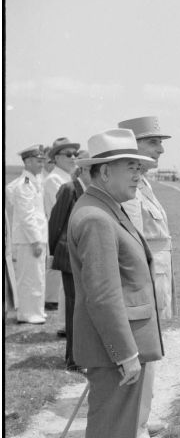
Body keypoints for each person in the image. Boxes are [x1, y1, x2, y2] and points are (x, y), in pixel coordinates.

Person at [68, 128, 164, 438]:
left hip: (119, 341)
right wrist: (124, 352)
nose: (139, 174)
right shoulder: (95, 217)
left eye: (140, 167)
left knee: (119, 426)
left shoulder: (106, 207)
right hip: (115, 346)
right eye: (131, 166)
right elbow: (104, 296)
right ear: (104, 172)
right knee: (110, 427)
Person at [118, 116, 175, 438]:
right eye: (154, 142)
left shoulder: (145, 184)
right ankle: (134, 430)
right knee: (141, 354)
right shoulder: (130, 189)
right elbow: (131, 245)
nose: (161, 148)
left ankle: (142, 418)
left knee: (149, 355)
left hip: (154, 281)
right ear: (134, 144)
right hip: (142, 285)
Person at [48, 155, 91, 372]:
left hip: (84, 257)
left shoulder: (91, 192)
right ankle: (74, 359)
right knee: (74, 308)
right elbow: (55, 223)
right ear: (82, 170)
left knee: (83, 308)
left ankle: (80, 355)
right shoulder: (69, 189)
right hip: (68, 257)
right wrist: (53, 252)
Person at [43, 137, 80, 334]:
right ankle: (68, 326)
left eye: (75, 154)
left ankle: (70, 325)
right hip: (64, 237)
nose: (73, 158)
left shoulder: (66, 177)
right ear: (56, 158)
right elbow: (54, 214)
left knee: (68, 289)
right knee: (67, 288)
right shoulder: (54, 180)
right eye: (68, 154)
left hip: (71, 237)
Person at [11, 145, 48, 324]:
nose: (42, 164)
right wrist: (35, 241)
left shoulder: (34, 181)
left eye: (43, 160)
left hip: (36, 238)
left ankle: (36, 311)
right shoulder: (24, 185)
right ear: (27, 162)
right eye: (38, 161)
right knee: (29, 278)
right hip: (29, 240)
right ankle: (27, 313)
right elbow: (27, 216)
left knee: (38, 276)